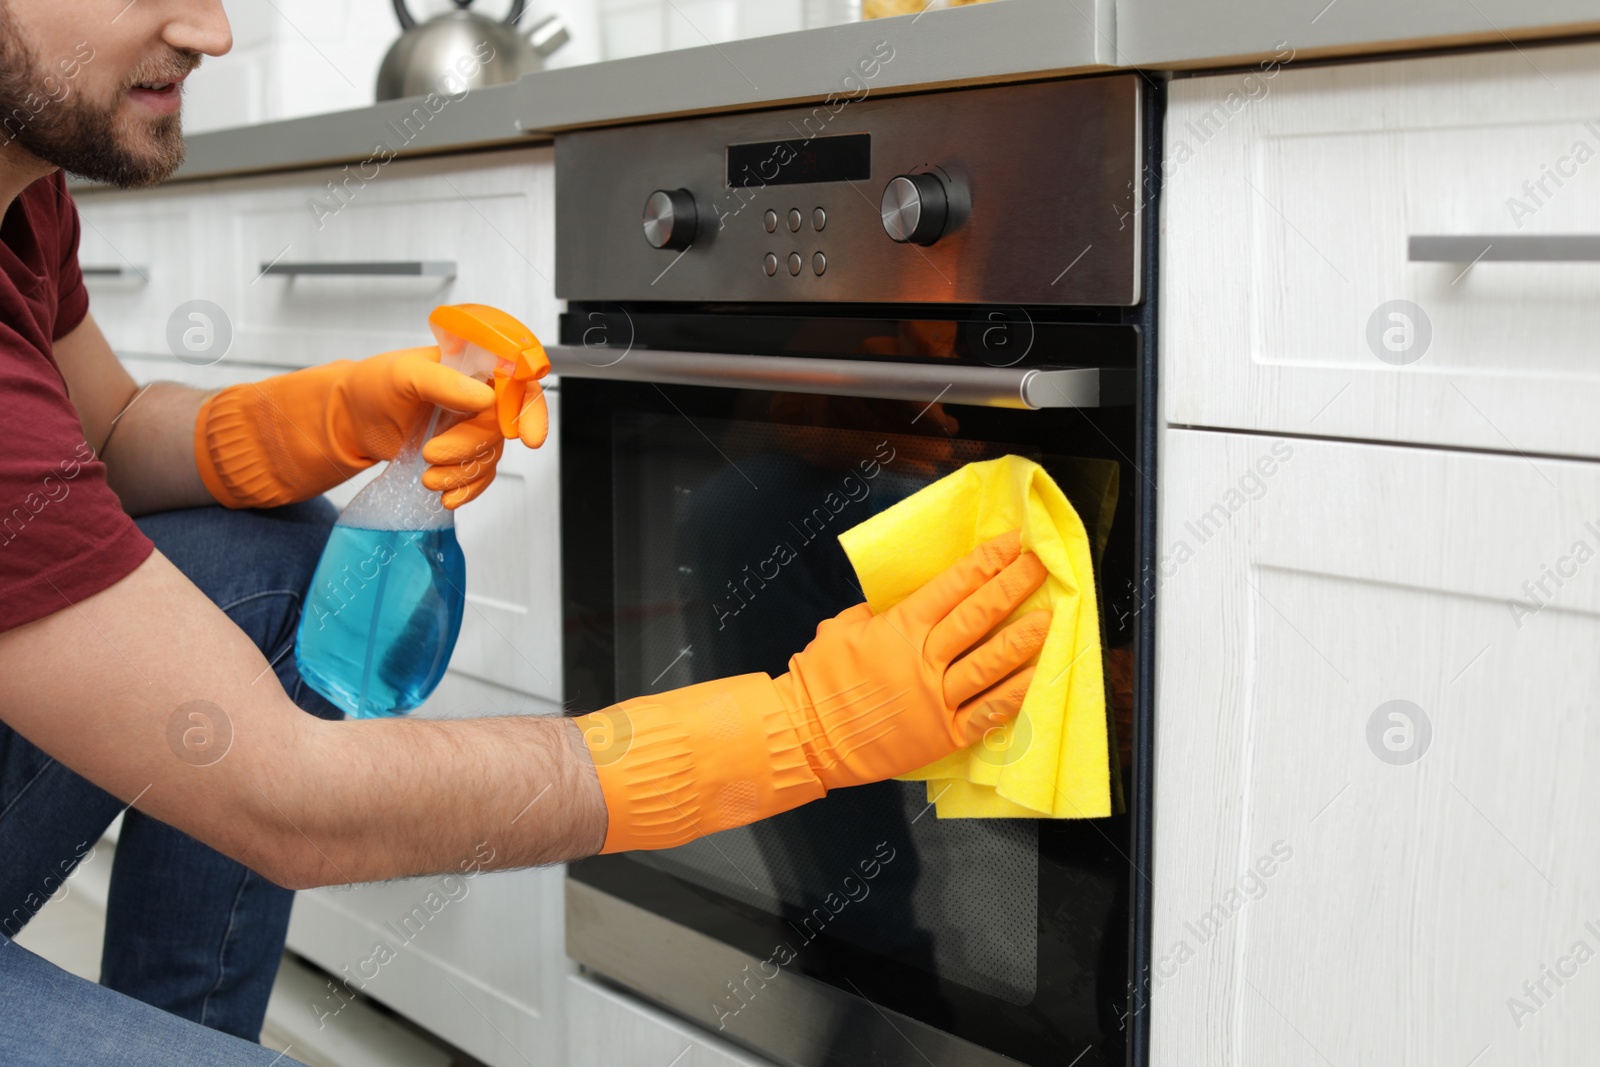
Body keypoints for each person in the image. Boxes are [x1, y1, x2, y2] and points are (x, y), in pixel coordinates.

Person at [0, 2, 1051, 1064]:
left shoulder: (25, 190)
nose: (210, 32)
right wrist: (802, 728)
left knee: (269, 552)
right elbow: (288, 803)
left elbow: (112, 430)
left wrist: (334, 415)